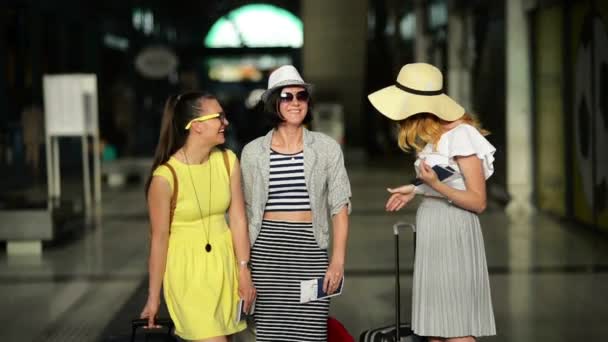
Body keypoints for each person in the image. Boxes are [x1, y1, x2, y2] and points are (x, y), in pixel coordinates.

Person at [368, 63, 496, 342]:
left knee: (456, 330)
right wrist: (416, 189)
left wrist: (434, 186)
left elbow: (478, 201)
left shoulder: (462, 134)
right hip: (434, 230)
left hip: (453, 231)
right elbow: (447, 178)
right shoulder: (438, 135)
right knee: (435, 331)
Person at [240, 65, 352, 342]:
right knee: (271, 335)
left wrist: (337, 261)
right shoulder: (253, 152)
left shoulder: (326, 148)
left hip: (310, 250)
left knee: (311, 334)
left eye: (301, 96)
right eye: (287, 96)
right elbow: (243, 213)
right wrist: (242, 268)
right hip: (267, 253)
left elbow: (340, 206)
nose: (295, 103)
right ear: (273, 103)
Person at [140, 92, 256, 342]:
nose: (225, 122)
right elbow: (159, 239)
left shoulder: (228, 161)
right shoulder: (165, 178)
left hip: (225, 268)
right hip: (187, 274)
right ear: (197, 126)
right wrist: (153, 296)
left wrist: (244, 271)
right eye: (219, 117)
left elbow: (238, 219)